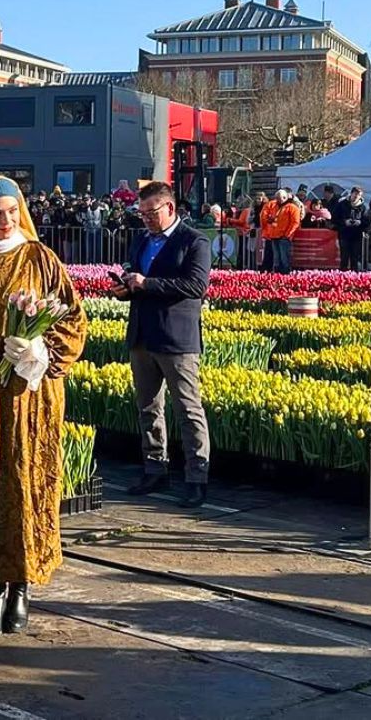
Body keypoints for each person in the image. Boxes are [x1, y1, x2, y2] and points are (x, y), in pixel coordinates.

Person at [0, 174, 88, 639]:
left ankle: (23, 585)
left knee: (27, 478)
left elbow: (73, 317)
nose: (4, 220)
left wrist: (45, 352)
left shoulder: (40, 258)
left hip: (32, 394)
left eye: (11, 212)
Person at [110, 181, 211, 508]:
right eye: (142, 214)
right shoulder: (142, 239)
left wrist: (147, 283)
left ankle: (197, 476)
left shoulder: (194, 241)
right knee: (148, 407)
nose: (147, 219)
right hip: (142, 334)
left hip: (177, 339)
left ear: (170, 208)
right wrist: (127, 286)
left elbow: (196, 285)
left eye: (151, 213)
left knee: (187, 408)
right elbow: (134, 272)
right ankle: (155, 467)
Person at [332, 187, 369, 271]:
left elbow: (367, 221)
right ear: (351, 194)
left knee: (355, 258)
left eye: (359, 195)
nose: (356, 196)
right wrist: (344, 222)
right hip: (344, 235)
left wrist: (360, 222)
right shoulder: (341, 205)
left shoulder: (363, 207)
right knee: (344, 258)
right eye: (355, 194)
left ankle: (354, 278)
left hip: (357, 236)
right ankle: (342, 278)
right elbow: (334, 218)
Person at [264, 189, 300, 274]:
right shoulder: (276, 207)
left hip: (284, 237)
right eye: (276, 198)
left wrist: (287, 235)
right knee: (276, 258)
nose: (277, 200)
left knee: (284, 258)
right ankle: (277, 274)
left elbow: (295, 223)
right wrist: (270, 219)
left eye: (278, 198)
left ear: (284, 197)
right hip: (274, 236)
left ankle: (285, 274)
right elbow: (275, 219)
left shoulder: (292, 207)